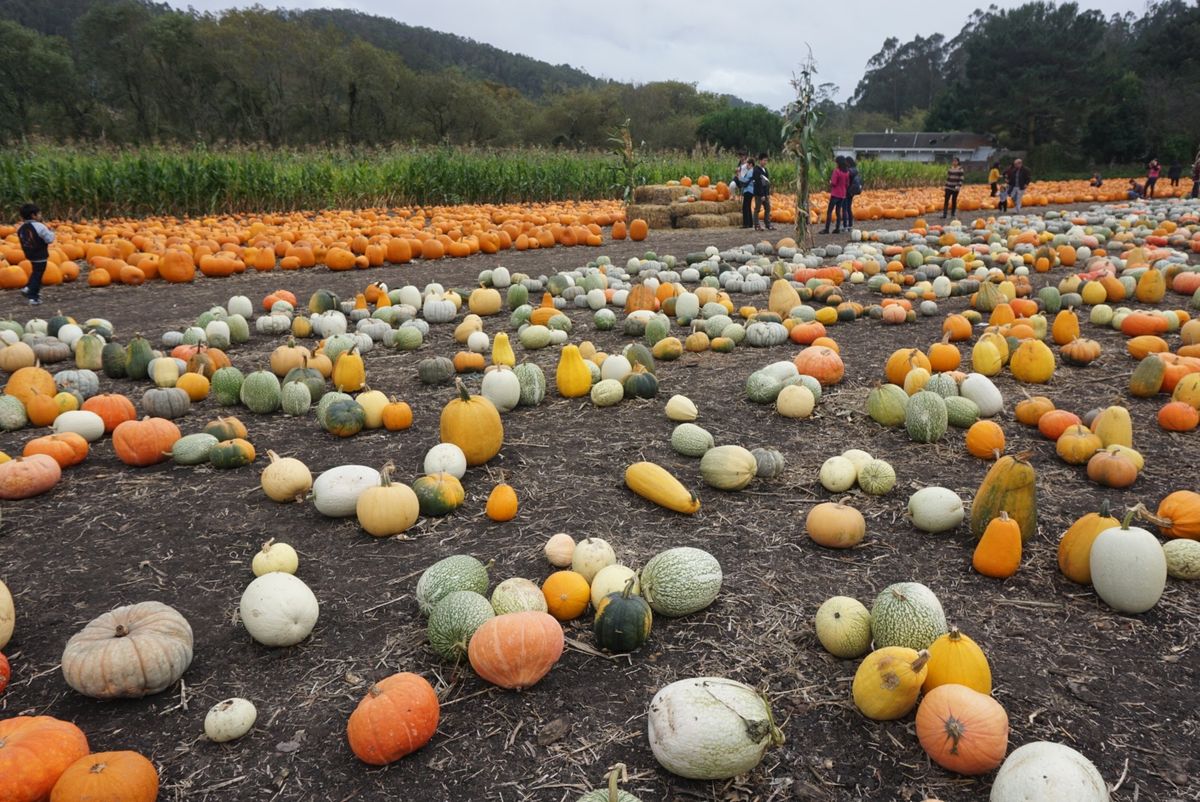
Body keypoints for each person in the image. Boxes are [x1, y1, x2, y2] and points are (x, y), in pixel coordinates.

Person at [17, 203, 54, 306]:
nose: (40, 216)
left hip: (30, 255)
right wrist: (51, 232)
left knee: (35, 272)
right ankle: (32, 296)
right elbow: (49, 239)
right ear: (34, 215)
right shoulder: (40, 227)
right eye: (39, 214)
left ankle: (29, 288)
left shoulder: (21, 228)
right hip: (40, 255)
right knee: (38, 275)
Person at [822, 156, 849, 235]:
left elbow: (833, 183)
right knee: (838, 211)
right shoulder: (846, 172)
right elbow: (847, 184)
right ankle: (837, 228)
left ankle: (827, 229)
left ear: (838, 163)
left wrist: (830, 182)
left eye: (836, 162)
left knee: (829, 211)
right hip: (842, 195)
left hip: (835, 194)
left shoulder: (836, 171)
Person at [752, 153, 773, 231]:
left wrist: (767, 194)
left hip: (765, 193)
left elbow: (766, 182)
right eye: (764, 160)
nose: (765, 162)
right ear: (760, 160)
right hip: (759, 193)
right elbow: (758, 183)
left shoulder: (765, 170)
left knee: (768, 208)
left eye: (766, 160)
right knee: (757, 209)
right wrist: (762, 195)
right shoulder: (756, 170)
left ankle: (767, 224)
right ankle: (756, 225)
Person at [844, 157, 862, 228]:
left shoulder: (850, 170)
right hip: (852, 191)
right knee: (848, 208)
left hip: (848, 191)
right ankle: (850, 224)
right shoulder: (855, 169)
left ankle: (846, 225)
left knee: (845, 208)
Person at [739, 157, 756, 229]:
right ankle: (750, 223)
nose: (746, 166)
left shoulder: (750, 172)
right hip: (751, 191)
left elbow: (745, 181)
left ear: (751, 164)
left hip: (748, 190)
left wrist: (739, 176)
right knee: (748, 206)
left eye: (747, 164)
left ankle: (746, 224)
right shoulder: (753, 171)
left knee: (745, 207)